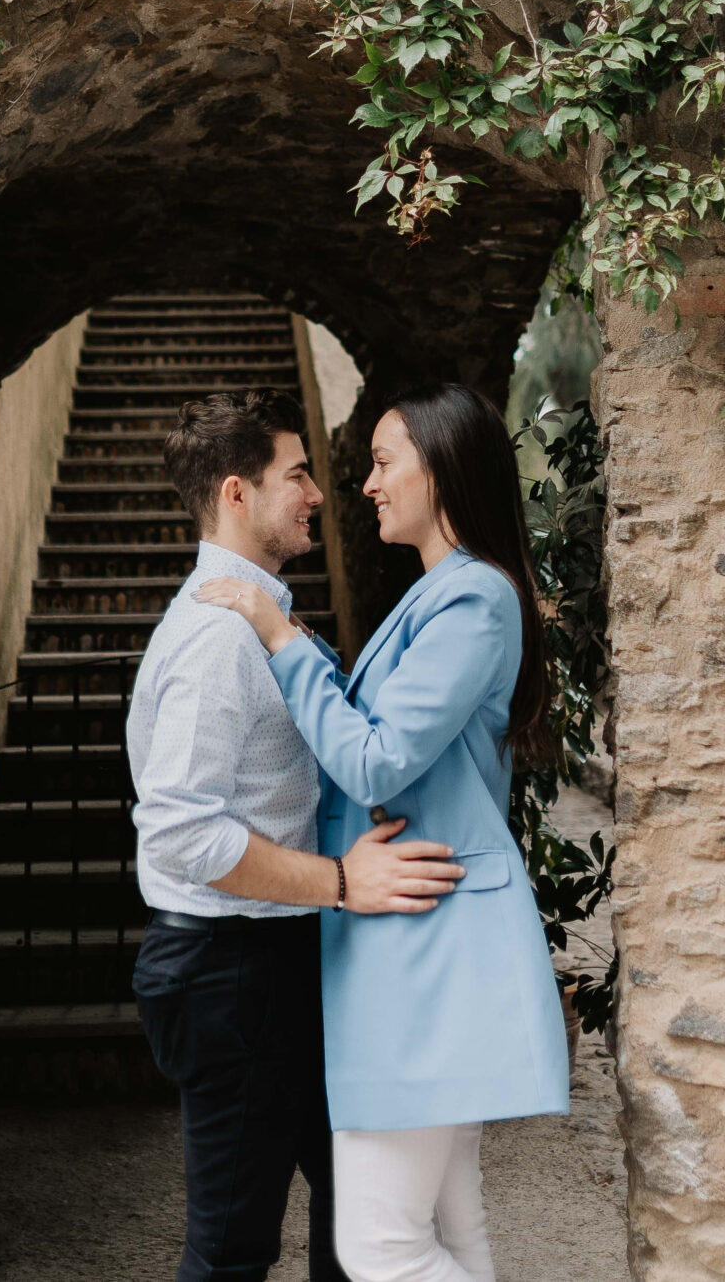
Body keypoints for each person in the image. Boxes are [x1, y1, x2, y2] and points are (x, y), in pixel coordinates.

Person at [197, 380, 570, 1282]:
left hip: (427, 952)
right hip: (424, 943)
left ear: (438, 470)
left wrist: (280, 638)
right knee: (455, 1226)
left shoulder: (472, 598)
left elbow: (374, 761)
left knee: (378, 1244)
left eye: (383, 460)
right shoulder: (446, 590)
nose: (365, 483)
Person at [127, 388, 470, 1282]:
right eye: (297, 474)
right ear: (237, 493)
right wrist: (343, 882)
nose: (319, 493)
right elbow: (181, 831)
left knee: (358, 1217)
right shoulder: (219, 638)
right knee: (232, 1248)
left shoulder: (255, 619)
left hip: (273, 959)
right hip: (231, 969)